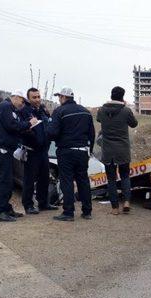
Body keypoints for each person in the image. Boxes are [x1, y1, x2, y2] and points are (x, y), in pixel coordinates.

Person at [47, 87, 95, 221]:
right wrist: (89, 150)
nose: (59, 99)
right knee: (83, 180)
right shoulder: (86, 112)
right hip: (82, 151)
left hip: (66, 151)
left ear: (63, 97)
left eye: (59, 97)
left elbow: (52, 133)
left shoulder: (59, 111)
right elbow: (92, 133)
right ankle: (87, 211)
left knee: (66, 181)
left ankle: (68, 212)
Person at [0, 90, 37, 222]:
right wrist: (29, 124)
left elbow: (13, 127)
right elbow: (12, 126)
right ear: (15, 97)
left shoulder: (9, 109)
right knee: (4, 180)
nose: (22, 104)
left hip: (6, 148)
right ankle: (0, 211)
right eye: (22, 100)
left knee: (8, 180)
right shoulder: (5, 107)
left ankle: (6, 208)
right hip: (1, 148)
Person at [96, 86, 138, 215]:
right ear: (122, 97)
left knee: (111, 179)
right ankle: (126, 202)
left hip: (108, 150)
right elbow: (134, 124)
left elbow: (98, 119)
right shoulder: (125, 111)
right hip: (122, 150)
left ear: (111, 95)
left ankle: (114, 208)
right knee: (125, 176)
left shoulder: (102, 110)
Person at [18, 87, 57, 214]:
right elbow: (22, 129)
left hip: (44, 150)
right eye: (34, 97)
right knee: (29, 179)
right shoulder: (24, 111)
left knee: (44, 178)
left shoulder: (43, 110)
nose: (37, 99)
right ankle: (28, 205)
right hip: (31, 150)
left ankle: (43, 203)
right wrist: (34, 138)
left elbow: (49, 125)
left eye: (38, 97)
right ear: (28, 99)